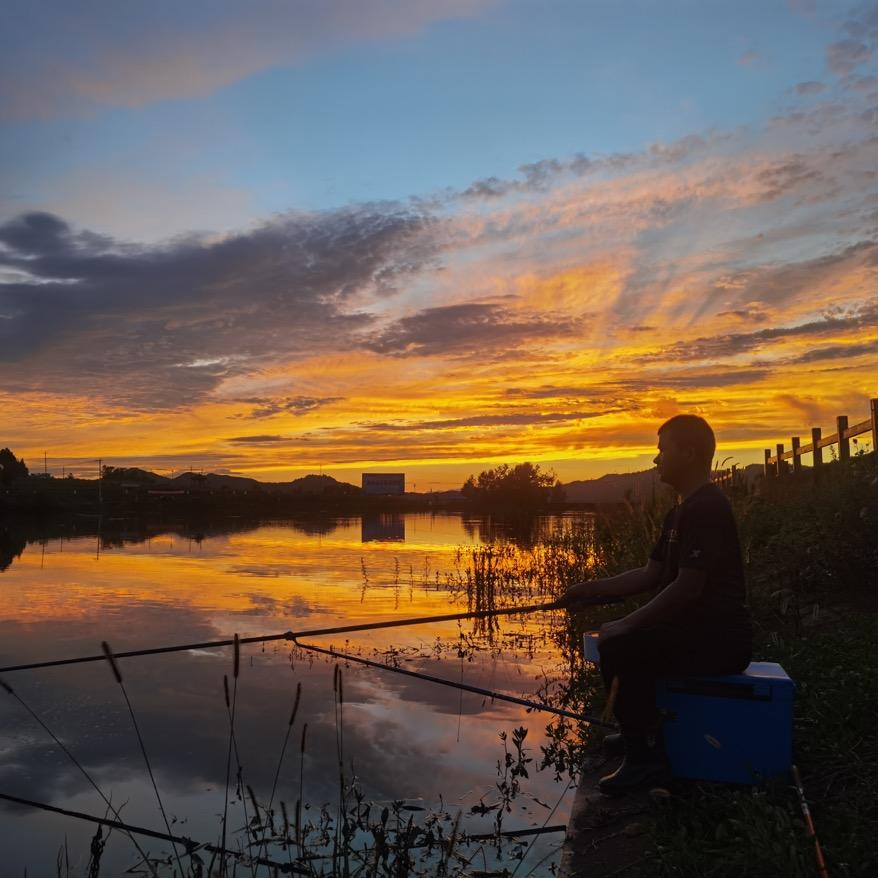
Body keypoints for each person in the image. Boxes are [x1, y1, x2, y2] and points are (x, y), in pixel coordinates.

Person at [557, 414, 751, 795]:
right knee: (615, 637)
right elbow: (649, 574)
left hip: (719, 640)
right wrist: (589, 587)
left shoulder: (708, 508)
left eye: (663, 450)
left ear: (690, 453)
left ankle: (645, 760)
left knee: (619, 644)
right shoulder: (678, 511)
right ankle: (638, 732)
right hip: (694, 632)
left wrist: (627, 624)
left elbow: (687, 587)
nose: (656, 459)